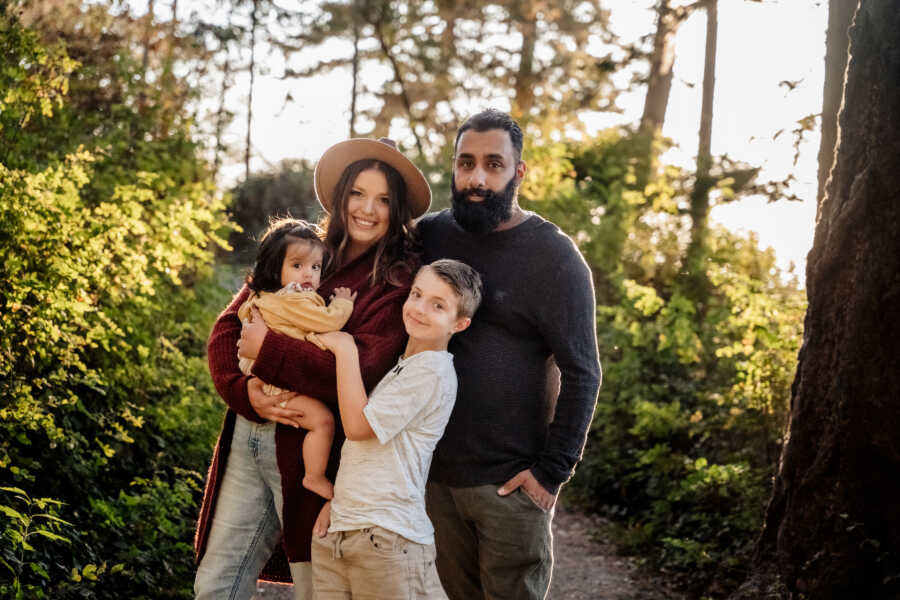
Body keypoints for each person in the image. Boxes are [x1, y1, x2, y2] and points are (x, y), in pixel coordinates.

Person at [194, 137, 431, 600]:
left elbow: (361, 372)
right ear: (341, 195)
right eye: (358, 193)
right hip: (250, 432)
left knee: (316, 587)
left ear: (398, 208)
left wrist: (269, 349)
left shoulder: (397, 281)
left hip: (314, 447)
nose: (367, 208)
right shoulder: (303, 248)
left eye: (383, 199)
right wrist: (243, 392)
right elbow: (230, 325)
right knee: (217, 583)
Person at [417, 109, 602, 600]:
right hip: (434, 481)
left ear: (519, 172)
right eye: (466, 163)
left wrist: (550, 474)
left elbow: (583, 372)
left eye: (494, 165)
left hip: (509, 486)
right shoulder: (429, 236)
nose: (477, 179)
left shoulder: (554, 257)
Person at [309, 259, 483, 599]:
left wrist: (345, 350)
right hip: (347, 529)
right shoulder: (405, 368)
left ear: (459, 324)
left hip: (388, 539)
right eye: (417, 294)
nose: (419, 308)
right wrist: (342, 501)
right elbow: (371, 452)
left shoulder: (432, 372)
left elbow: (358, 428)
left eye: (438, 305)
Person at [236, 217, 356, 500]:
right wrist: (343, 302)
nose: (308, 275)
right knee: (323, 421)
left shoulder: (265, 296)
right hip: (275, 382)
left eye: (315, 267)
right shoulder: (292, 300)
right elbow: (327, 321)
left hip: (262, 373)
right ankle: (313, 476)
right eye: (297, 266)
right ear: (275, 267)